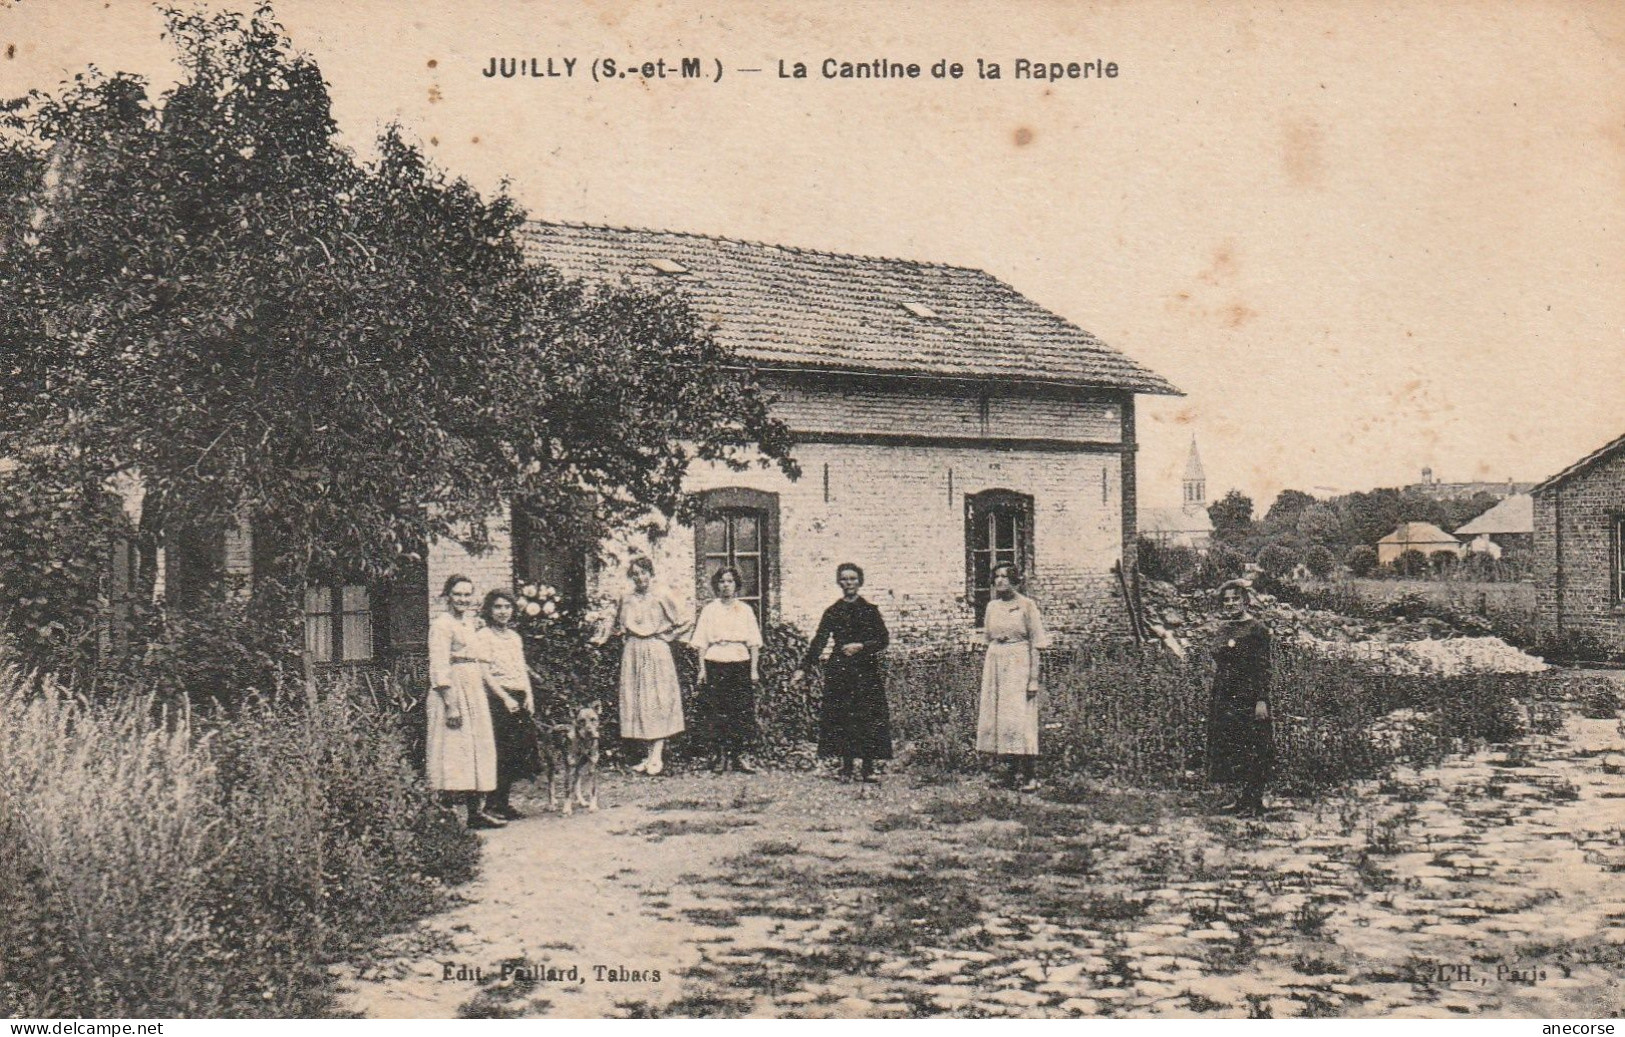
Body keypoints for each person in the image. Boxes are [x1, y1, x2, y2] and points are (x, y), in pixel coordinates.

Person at [792, 563, 892, 783]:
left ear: (860, 582)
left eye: (853, 579)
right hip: (841, 670)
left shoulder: (869, 610)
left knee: (867, 716)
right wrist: (803, 668)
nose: (849, 583)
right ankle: (846, 768)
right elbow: (819, 641)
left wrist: (862, 646)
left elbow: (883, 640)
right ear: (839, 583)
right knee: (843, 716)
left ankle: (868, 768)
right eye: (844, 579)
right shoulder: (833, 611)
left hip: (866, 670)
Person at [427, 575, 503, 829]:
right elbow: (439, 666)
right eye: (458, 594)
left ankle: (475, 813)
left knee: (476, 748)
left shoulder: (470, 623)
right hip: (453, 691)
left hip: (473, 690)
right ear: (448, 595)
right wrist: (451, 704)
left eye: (467, 595)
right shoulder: (442, 625)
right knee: (452, 749)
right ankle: (444, 814)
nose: (463, 599)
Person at [975, 563, 1049, 792]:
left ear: (1016, 581)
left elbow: (1037, 643)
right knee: (1000, 718)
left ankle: (1029, 775)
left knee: (1020, 719)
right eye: (996, 577)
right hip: (996, 661)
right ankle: (1008, 773)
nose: (999, 581)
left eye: (1005, 577)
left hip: (1019, 662)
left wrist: (1033, 679)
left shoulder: (1027, 605)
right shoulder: (991, 607)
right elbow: (987, 636)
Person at [614, 557, 688, 776]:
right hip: (633, 650)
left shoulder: (662, 595)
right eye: (635, 574)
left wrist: (668, 636)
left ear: (650, 573)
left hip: (656, 650)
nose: (640, 577)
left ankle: (657, 756)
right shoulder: (626, 599)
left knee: (657, 700)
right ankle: (648, 756)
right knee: (638, 702)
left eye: (643, 572)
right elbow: (618, 626)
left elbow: (685, 620)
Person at [687, 566, 763, 774]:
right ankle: (719, 756)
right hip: (716, 661)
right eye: (722, 581)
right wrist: (702, 669)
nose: (726, 585)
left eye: (730, 581)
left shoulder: (745, 610)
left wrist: (753, 670)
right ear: (716, 585)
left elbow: (754, 642)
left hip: (739, 662)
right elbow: (701, 642)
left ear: (736, 584)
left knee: (740, 710)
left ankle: (739, 756)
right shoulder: (710, 610)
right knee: (716, 710)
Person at [1207, 579, 1273, 817]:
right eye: (1226, 600)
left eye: (1235, 599)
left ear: (1245, 600)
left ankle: (1254, 801)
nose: (1231, 603)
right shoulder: (1224, 629)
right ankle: (1242, 799)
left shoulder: (1257, 629)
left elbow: (1263, 667)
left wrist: (1261, 700)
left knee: (1254, 746)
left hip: (1248, 695)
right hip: (1226, 695)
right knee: (1234, 747)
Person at [479, 589, 540, 820]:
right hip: (498, 698)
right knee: (500, 752)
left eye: (507, 607)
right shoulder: (484, 636)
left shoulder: (515, 637)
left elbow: (521, 668)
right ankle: (491, 805)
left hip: (519, 695)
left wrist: (529, 696)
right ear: (489, 610)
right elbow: (485, 673)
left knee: (516, 753)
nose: (503, 612)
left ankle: (504, 803)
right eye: (498, 607)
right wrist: (504, 697)